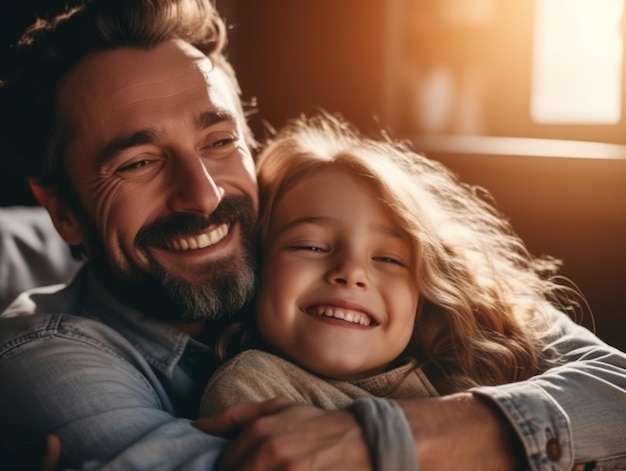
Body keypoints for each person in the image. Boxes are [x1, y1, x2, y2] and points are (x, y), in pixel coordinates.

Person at [0, 0, 624, 470]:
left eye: (219, 144)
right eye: (137, 163)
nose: (205, 195)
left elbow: (614, 390)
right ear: (64, 212)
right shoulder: (43, 358)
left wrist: (381, 438)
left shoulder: (346, 246)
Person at [198, 112, 575, 418]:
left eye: (389, 259)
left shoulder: (484, 367)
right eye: (311, 247)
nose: (352, 272)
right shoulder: (251, 389)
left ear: (426, 292)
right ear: (256, 267)